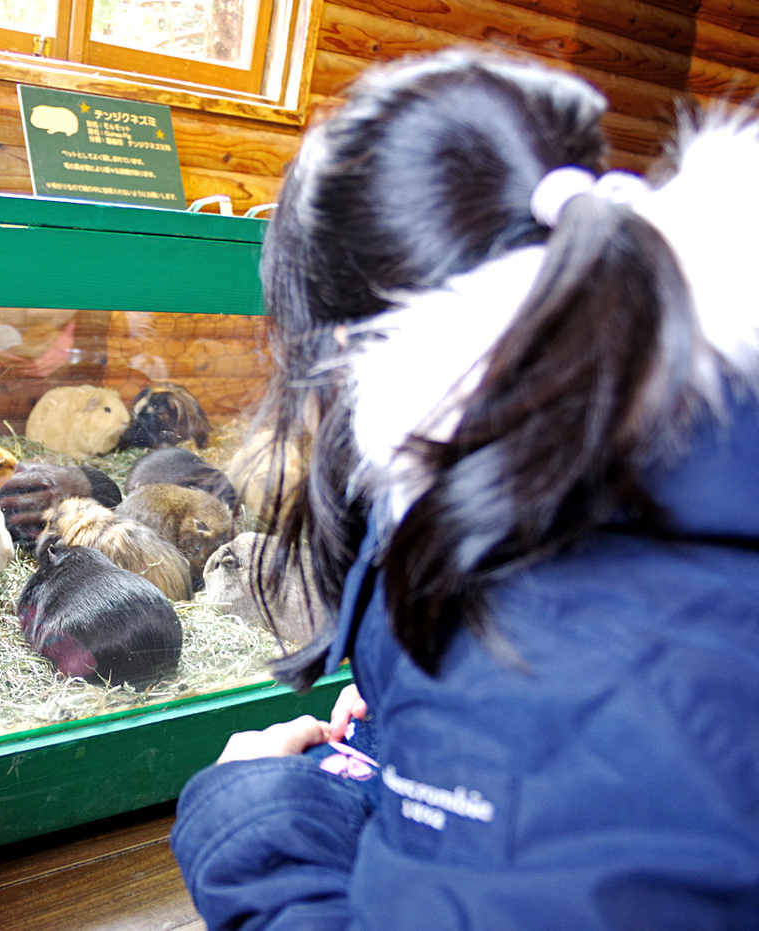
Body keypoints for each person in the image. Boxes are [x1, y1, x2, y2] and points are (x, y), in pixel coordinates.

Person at [170, 48, 759, 929]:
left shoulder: (552, 659)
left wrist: (247, 808)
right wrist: (407, 722)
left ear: (342, 341)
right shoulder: (687, 443)